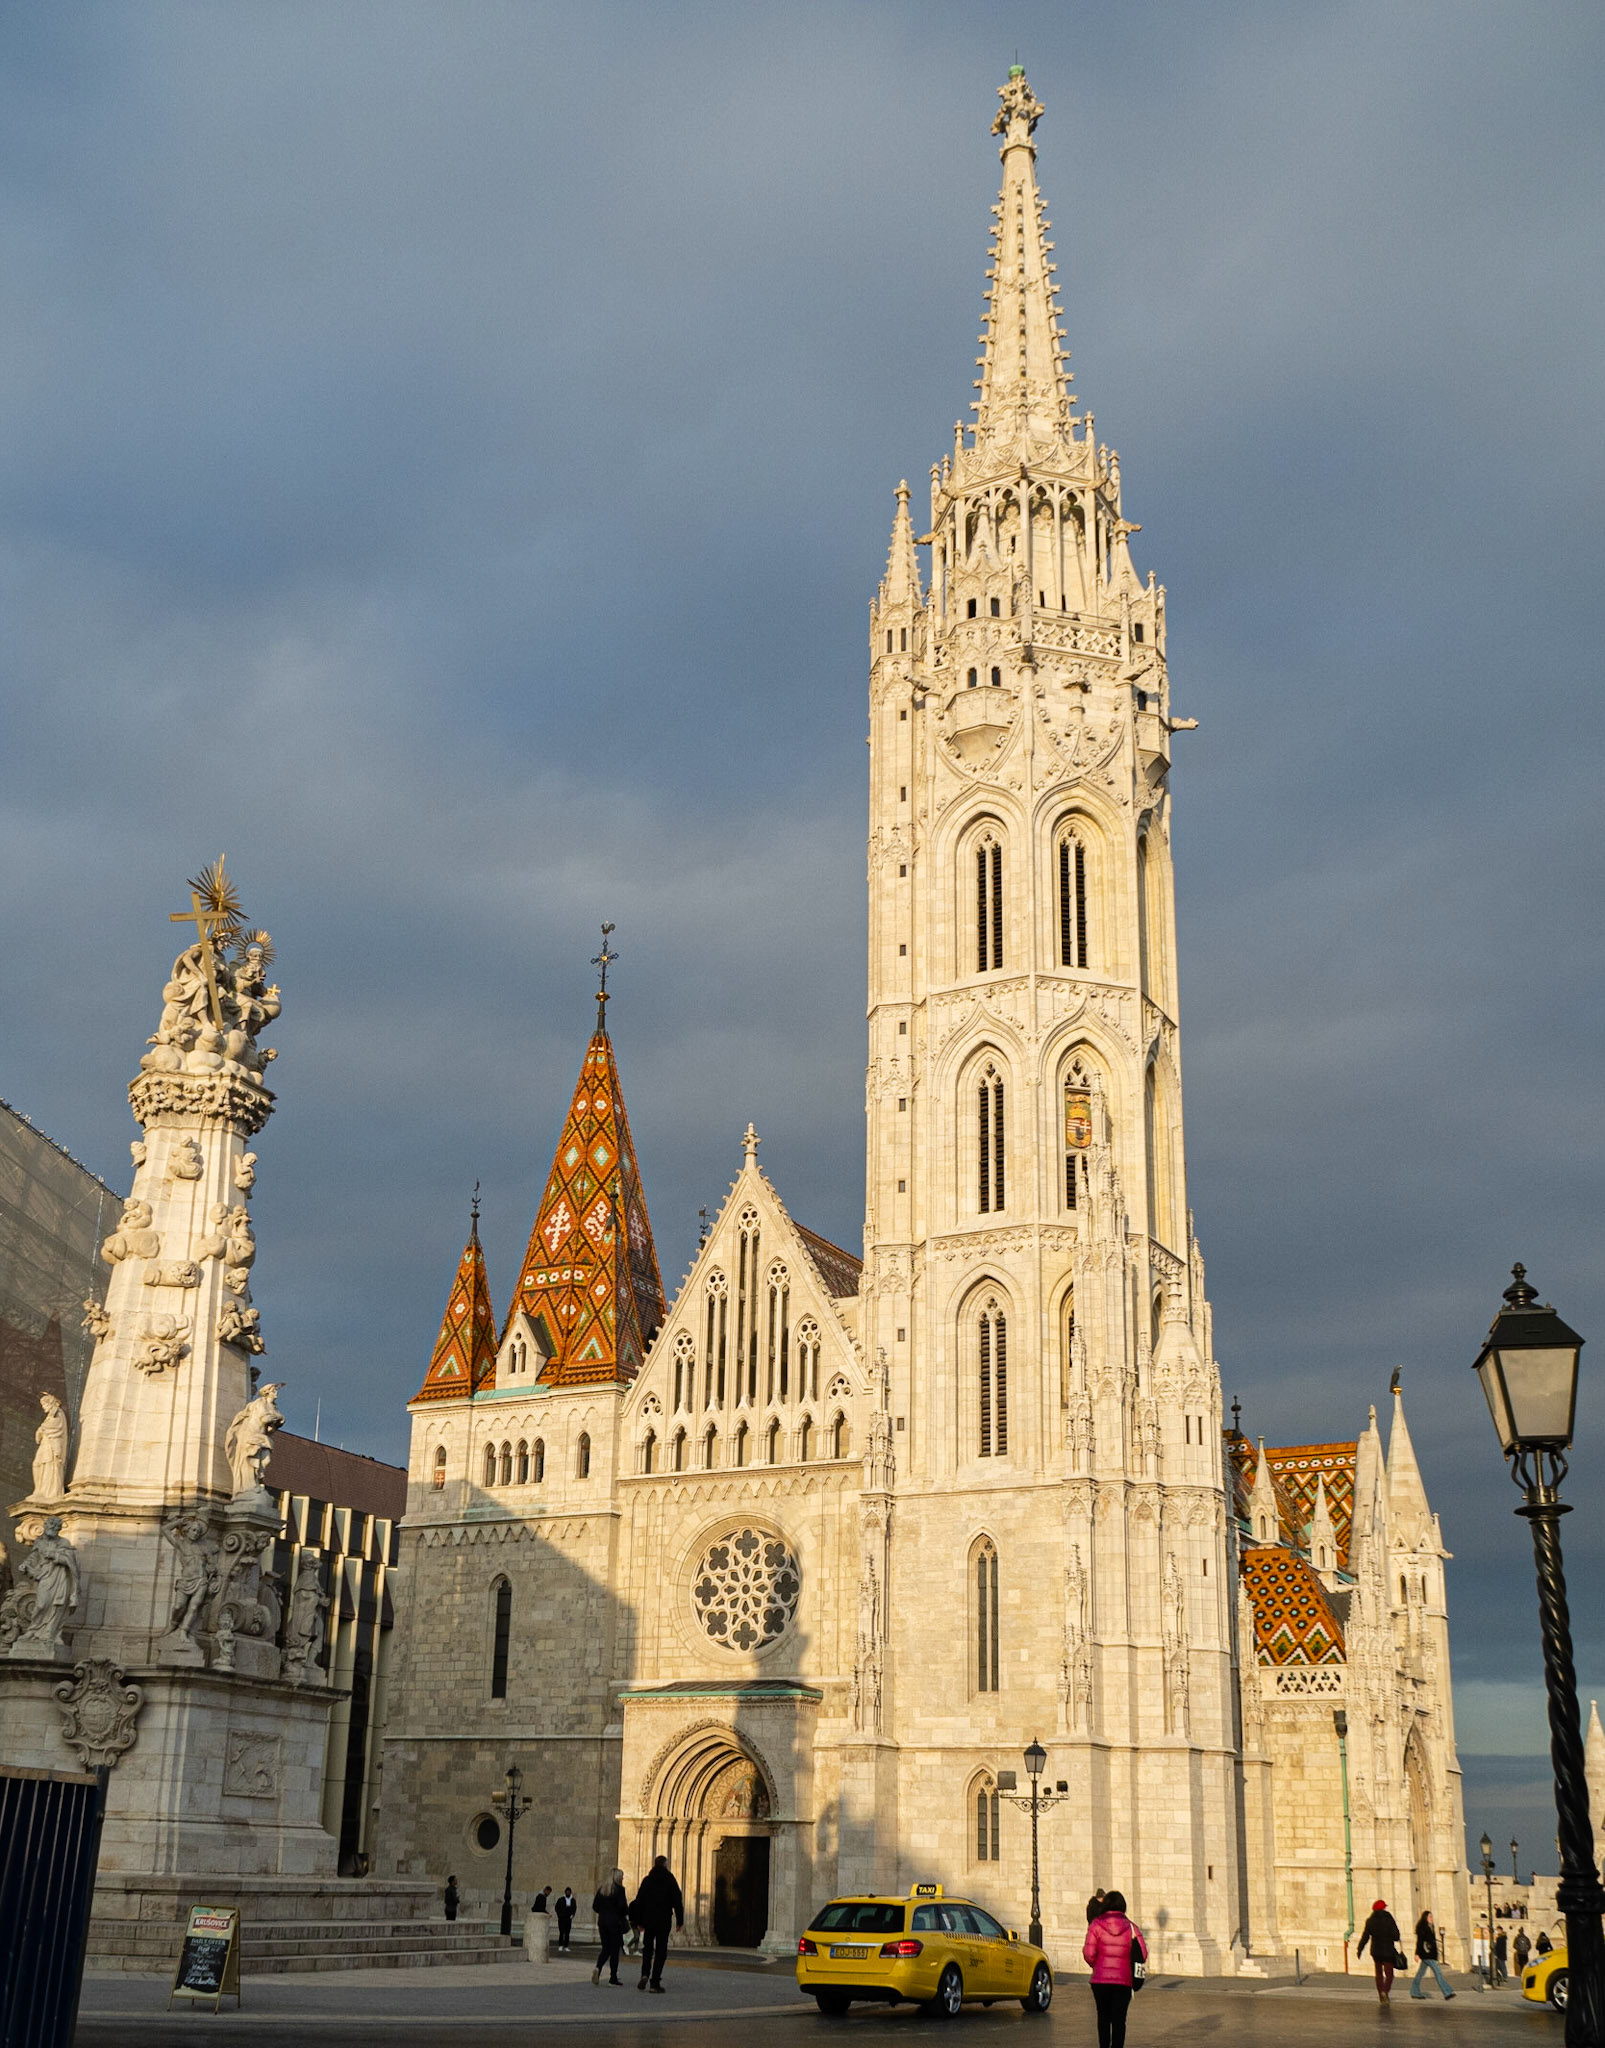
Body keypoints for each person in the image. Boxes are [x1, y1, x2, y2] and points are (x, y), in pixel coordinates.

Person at [1082, 1889, 1147, 2048]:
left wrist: (1097, 1965)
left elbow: (1089, 1953)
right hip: (1123, 1981)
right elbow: (1143, 1953)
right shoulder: (1132, 1927)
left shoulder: (1096, 1925)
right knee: (1119, 2019)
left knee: (1103, 2017)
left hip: (1100, 1981)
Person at [628, 1854, 684, 1994]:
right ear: (665, 1864)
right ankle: (655, 1982)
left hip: (648, 1920)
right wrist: (680, 1921)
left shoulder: (647, 1880)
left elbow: (639, 1901)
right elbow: (677, 1900)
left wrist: (638, 1921)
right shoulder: (669, 1879)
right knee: (661, 1951)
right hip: (663, 1920)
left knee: (647, 1948)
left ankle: (645, 1974)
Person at [1357, 1899, 1404, 2005]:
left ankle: (1381, 1996)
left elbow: (1365, 1937)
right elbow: (1396, 1936)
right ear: (1383, 1908)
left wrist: (1359, 1949)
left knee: (1378, 1974)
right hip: (1388, 1950)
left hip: (1376, 1951)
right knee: (1389, 1974)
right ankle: (1385, 1991)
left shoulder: (1370, 1920)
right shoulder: (1388, 1918)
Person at [593, 1868, 629, 1986]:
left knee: (606, 1948)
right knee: (614, 1951)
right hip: (614, 1924)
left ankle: (598, 1968)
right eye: (622, 1876)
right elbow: (622, 1907)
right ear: (618, 1877)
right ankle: (613, 1978)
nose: (623, 1878)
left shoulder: (602, 1890)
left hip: (602, 1923)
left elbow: (595, 1906)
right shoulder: (620, 1890)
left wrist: (604, 1912)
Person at [1410, 1910, 1455, 2001]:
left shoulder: (1431, 1927)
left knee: (1420, 1974)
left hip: (1431, 1954)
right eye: (1430, 1917)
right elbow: (1419, 1942)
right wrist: (1417, 1953)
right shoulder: (1422, 1928)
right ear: (1425, 1918)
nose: (1432, 1918)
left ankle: (1414, 1991)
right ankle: (1447, 1992)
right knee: (1438, 1973)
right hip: (1427, 1954)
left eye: (1432, 1916)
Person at [554, 1887, 576, 1954]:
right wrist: (559, 1915)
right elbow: (557, 1907)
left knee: (567, 1933)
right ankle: (560, 1945)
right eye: (567, 1892)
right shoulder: (561, 1899)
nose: (568, 1893)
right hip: (562, 1918)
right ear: (565, 1892)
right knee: (561, 1932)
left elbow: (574, 1908)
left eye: (569, 1892)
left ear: (570, 1893)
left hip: (568, 1918)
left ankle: (566, 1946)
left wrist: (572, 1915)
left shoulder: (573, 1900)